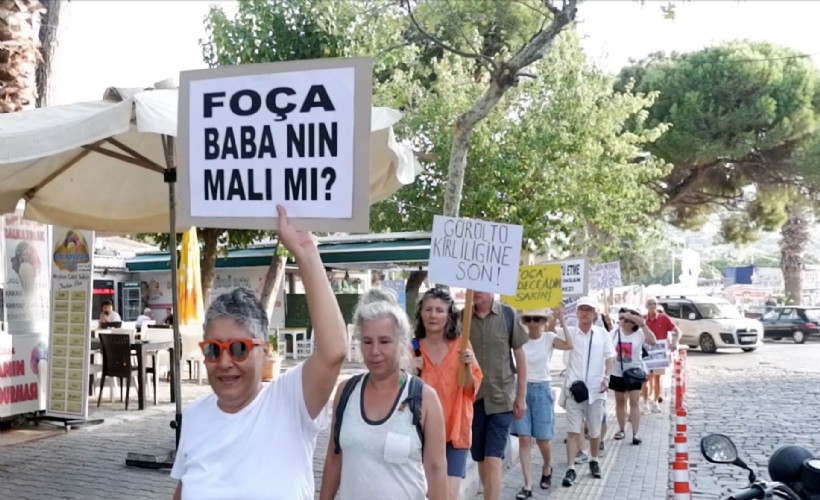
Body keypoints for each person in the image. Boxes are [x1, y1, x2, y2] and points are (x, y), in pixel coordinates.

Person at [170, 206, 349, 500]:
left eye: (239, 349)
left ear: (265, 351)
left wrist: (305, 252)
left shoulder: (290, 402)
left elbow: (334, 350)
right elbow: (184, 489)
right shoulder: (195, 417)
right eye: (214, 350)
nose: (225, 363)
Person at [320, 288, 448, 500]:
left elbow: (436, 471)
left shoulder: (424, 398)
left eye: (385, 341)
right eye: (367, 342)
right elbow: (334, 459)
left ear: (402, 344)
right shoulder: (346, 392)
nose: (375, 351)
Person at [411, 287, 483, 500]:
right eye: (428, 309)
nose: (433, 315)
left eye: (439, 310)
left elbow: (472, 390)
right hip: (421, 437)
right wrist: (409, 372)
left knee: (448, 496)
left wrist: (468, 367)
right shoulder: (412, 347)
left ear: (449, 314)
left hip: (455, 435)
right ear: (421, 313)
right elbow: (399, 394)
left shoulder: (461, 346)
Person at [469, 291, 529, 500]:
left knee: (493, 459)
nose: (475, 291)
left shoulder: (507, 315)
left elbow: (519, 355)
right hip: (473, 399)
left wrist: (521, 396)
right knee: (481, 459)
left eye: (479, 287)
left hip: (501, 398)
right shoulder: (462, 317)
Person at [511, 307, 573, 498]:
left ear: (544, 321)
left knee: (543, 440)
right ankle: (527, 484)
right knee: (524, 438)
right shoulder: (519, 338)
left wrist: (562, 319)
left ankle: (547, 467)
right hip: (522, 389)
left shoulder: (548, 338)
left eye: (537, 319)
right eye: (528, 319)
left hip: (542, 391)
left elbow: (569, 345)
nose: (532, 323)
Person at [561, 297, 615, 488]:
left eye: (588, 310)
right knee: (573, 430)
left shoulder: (602, 334)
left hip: (596, 390)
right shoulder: (570, 334)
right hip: (574, 390)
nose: (584, 313)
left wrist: (607, 377)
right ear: (576, 313)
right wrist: (558, 316)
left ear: (594, 314)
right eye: (581, 309)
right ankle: (571, 467)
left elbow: (610, 357)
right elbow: (549, 334)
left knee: (594, 431)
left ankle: (594, 460)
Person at [609, 307, 657, 445]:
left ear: (634, 322)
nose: (624, 322)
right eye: (622, 319)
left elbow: (652, 341)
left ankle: (636, 433)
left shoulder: (640, 334)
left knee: (634, 402)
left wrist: (643, 324)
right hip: (617, 372)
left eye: (629, 320)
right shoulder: (614, 333)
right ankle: (622, 429)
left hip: (634, 372)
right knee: (620, 402)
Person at [642, 297, 681, 413]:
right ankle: (645, 403)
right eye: (649, 303)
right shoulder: (643, 320)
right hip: (646, 354)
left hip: (659, 354)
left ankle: (655, 402)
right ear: (646, 306)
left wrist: (674, 343)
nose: (652, 306)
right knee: (645, 379)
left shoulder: (664, 318)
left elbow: (677, 331)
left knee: (658, 378)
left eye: (654, 304)